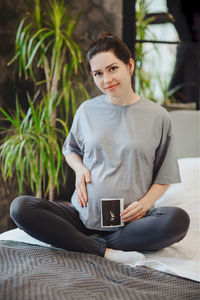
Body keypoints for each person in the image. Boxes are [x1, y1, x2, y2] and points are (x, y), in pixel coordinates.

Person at [10, 32, 190, 265]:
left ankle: (81, 243)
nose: (106, 80)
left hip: (131, 224)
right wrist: (79, 169)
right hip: (82, 216)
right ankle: (103, 249)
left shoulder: (158, 116)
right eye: (98, 73)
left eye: (113, 69)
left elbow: (165, 175)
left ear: (130, 65)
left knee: (177, 220)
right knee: (20, 207)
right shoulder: (87, 111)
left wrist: (144, 205)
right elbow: (70, 149)